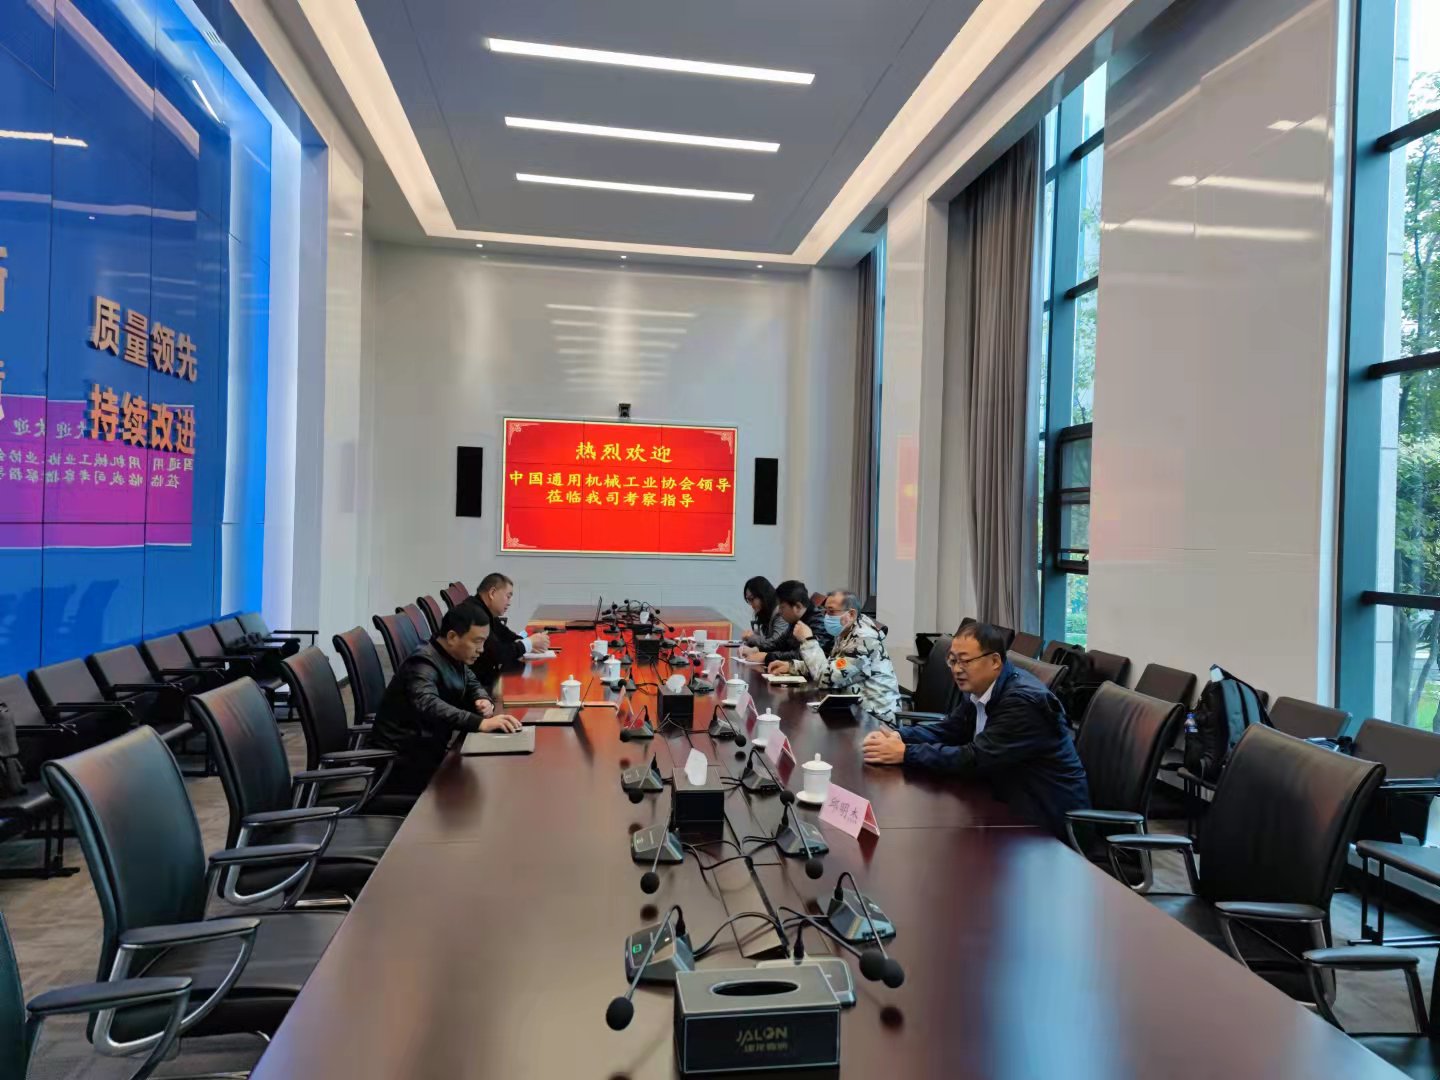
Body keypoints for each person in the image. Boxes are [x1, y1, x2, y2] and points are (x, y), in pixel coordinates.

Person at [861, 622, 1089, 838]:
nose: (956, 669)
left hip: (1046, 820)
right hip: (1006, 799)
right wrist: (899, 736)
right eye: (952, 661)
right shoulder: (983, 687)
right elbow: (951, 730)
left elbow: (976, 758)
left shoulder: (1022, 702)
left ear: (995, 661)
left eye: (965, 661)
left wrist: (905, 753)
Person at [372, 600, 523, 796]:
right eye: (477, 641)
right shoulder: (423, 663)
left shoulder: (451, 655)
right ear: (452, 637)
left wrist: (482, 698)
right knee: (485, 789)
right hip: (403, 765)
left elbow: (471, 681)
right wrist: (480, 723)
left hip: (428, 752)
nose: (482, 649)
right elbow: (428, 704)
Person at [769, 590, 900, 722]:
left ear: (851, 614)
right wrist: (792, 666)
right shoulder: (847, 630)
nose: (826, 616)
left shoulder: (864, 640)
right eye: (825, 611)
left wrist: (808, 640)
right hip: (853, 708)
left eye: (831, 611)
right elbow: (832, 665)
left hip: (875, 718)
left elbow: (826, 679)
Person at [471, 572, 550, 685]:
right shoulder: (476, 615)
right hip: (479, 683)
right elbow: (497, 654)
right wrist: (528, 644)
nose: (509, 603)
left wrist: (527, 643)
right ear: (492, 593)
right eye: (508, 597)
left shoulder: (484, 610)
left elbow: (505, 634)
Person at [742, 579, 833, 665]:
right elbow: (778, 644)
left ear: (797, 606)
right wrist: (756, 650)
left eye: (782, 607)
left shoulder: (819, 623)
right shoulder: (795, 620)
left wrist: (767, 657)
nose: (779, 611)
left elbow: (806, 656)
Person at [740, 576, 788, 650]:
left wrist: (752, 637)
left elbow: (775, 643)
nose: (751, 605)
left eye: (752, 599)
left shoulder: (780, 612)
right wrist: (755, 634)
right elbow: (767, 639)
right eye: (748, 600)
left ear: (763, 595)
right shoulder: (766, 613)